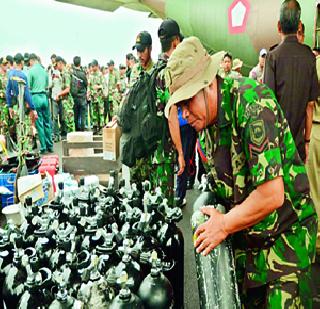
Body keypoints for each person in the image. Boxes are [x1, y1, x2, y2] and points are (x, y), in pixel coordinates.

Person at [165, 36, 317, 308]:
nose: (184, 113)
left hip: (285, 241)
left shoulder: (251, 103)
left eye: (188, 101)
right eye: (180, 106)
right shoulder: (206, 128)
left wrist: (223, 224)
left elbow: (272, 195)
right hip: (249, 246)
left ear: (209, 85)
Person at [264, 0, 318, 163]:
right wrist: (307, 141)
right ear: (299, 25)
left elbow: (268, 104)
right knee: (299, 186)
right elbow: (310, 105)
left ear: (278, 26)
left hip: (278, 145)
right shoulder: (309, 57)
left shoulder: (272, 57)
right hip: (299, 145)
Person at [6, 53, 37, 150]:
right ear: (22, 62)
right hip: (23, 105)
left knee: (17, 128)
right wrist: (33, 108)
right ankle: (26, 151)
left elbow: (8, 91)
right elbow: (27, 94)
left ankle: (19, 149)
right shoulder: (23, 75)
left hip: (15, 105)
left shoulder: (10, 74)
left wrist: (10, 106)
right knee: (26, 128)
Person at [306, 47, 320, 255]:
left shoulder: (316, 64)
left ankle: (317, 240)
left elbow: (309, 102)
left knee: (314, 189)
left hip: (316, 129)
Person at [28, 53, 53, 154]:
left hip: (36, 97)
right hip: (44, 97)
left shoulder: (31, 71)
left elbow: (29, 87)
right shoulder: (44, 71)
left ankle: (43, 147)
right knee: (47, 123)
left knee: (39, 123)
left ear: (31, 60)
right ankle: (50, 145)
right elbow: (48, 85)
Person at [56, 57, 75, 136]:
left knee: (69, 121)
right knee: (67, 121)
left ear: (60, 63)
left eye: (57, 65)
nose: (57, 67)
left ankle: (73, 139)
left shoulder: (66, 74)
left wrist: (59, 94)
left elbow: (67, 89)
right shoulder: (63, 73)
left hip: (67, 100)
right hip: (65, 100)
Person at [88, 59, 106, 133]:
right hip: (93, 97)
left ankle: (101, 126)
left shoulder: (100, 75)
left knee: (101, 112)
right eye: (91, 66)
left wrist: (98, 87)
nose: (92, 68)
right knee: (94, 113)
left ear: (97, 66)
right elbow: (89, 85)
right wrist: (88, 93)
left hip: (99, 97)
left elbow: (104, 85)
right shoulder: (91, 75)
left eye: (93, 66)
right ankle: (95, 126)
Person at [71, 56, 88, 131]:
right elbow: (86, 84)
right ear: (80, 63)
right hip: (82, 97)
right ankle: (82, 130)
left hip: (74, 97)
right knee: (83, 115)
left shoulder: (71, 73)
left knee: (76, 115)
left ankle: (76, 130)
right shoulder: (82, 74)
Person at [49, 56, 62, 141]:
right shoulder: (52, 72)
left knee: (60, 117)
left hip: (59, 96)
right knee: (56, 117)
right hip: (55, 96)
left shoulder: (59, 72)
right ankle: (56, 134)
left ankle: (60, 133)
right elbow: (50, 84)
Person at [0, 57, 9, 135]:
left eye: (6, 64)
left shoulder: (8, 74)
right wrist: (3, 93)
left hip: (9, 103)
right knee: (3, 124)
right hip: (2, 104)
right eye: (4, 64)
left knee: (10, 123)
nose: (6, 66)